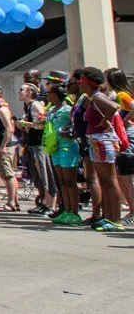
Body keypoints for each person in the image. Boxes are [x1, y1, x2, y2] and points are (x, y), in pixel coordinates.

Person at [77, 66, 123, 232]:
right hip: (96, 141)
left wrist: (104, 120)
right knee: (104, 181)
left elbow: (113, 107)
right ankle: (108, 217)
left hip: (103, 140)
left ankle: (116, 219)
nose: (78, 84)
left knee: (110, 180)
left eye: (81, 81)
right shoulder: (92, 97)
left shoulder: (97, 97)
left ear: (88, 83)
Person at [45, 82, 83, 225]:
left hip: (68, 146)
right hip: (55, 147)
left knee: (70, 181)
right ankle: (66, 210)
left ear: (55, 94)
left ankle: (74, 212)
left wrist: (70, 132)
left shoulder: (68, 109)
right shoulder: (52, 110)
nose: (47, 96)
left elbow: (76, 125)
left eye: (49, 93)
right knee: (61, 181)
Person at [16, 83, 55, 216]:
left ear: (29, 92)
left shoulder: (35, 105)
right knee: (38, 175)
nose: (19, 92)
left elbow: (42, 124)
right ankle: (45, 203)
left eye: (21, 90)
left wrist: (25, 124)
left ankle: (51, 205)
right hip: (32, 144)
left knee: (45, 174)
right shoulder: (28, 106)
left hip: (39, 144)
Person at [103, 68, 134, 225]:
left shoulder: (122, 95)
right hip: (119, 135)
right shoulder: (113, 95)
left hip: (126, 135)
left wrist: (123, 121)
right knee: (122, 174)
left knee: (126, 174)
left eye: (106, 78)